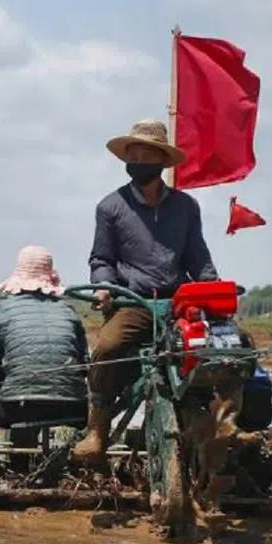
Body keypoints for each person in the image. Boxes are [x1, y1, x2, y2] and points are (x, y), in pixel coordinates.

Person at [71, 119, 219, 466]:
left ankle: (221, 420)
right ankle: (97, 429)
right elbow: (102, 258)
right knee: (107, 347)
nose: (137, 158)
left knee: (229, 343)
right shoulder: (111, 207)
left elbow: (198, 258)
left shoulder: (186, 207)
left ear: (161, 161)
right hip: (133, 301)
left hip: (178, 301)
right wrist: (104, 288)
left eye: (145, 153)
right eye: (132, 153)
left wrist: (212, 289)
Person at [0, 245, 90, 449]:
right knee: (95, 411)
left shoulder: (3, 310)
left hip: (19, 408)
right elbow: (85, 366)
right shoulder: (68, 311)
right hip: (71, 408)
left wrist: (16, 383)